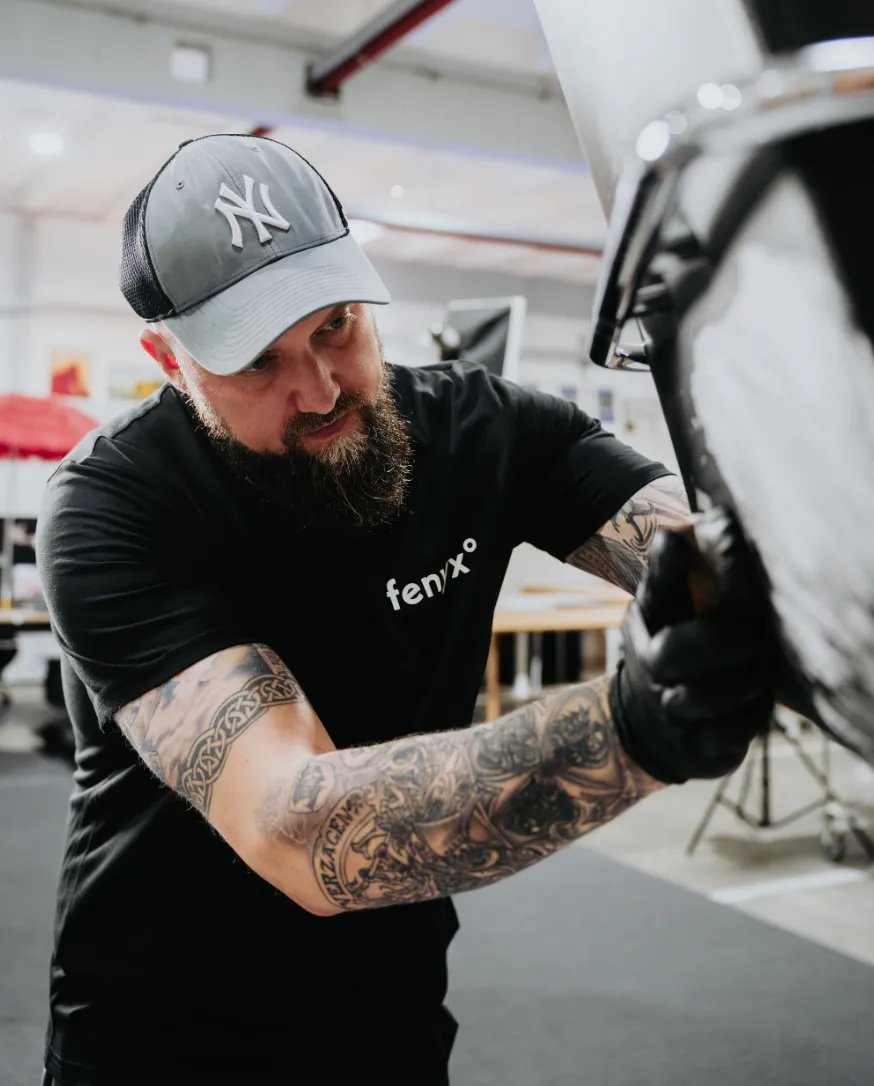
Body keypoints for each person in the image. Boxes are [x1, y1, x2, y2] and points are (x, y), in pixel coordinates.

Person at [35, 134, 774, 1086]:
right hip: (158, 1039)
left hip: (391, 1019)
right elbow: (294, 830)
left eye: (336, 325)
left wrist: (752, 581)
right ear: (168, 362)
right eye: (258, 362)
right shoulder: (114, 504)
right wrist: (633, 730)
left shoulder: (482, 427)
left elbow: (705, 549)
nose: (320, 388)